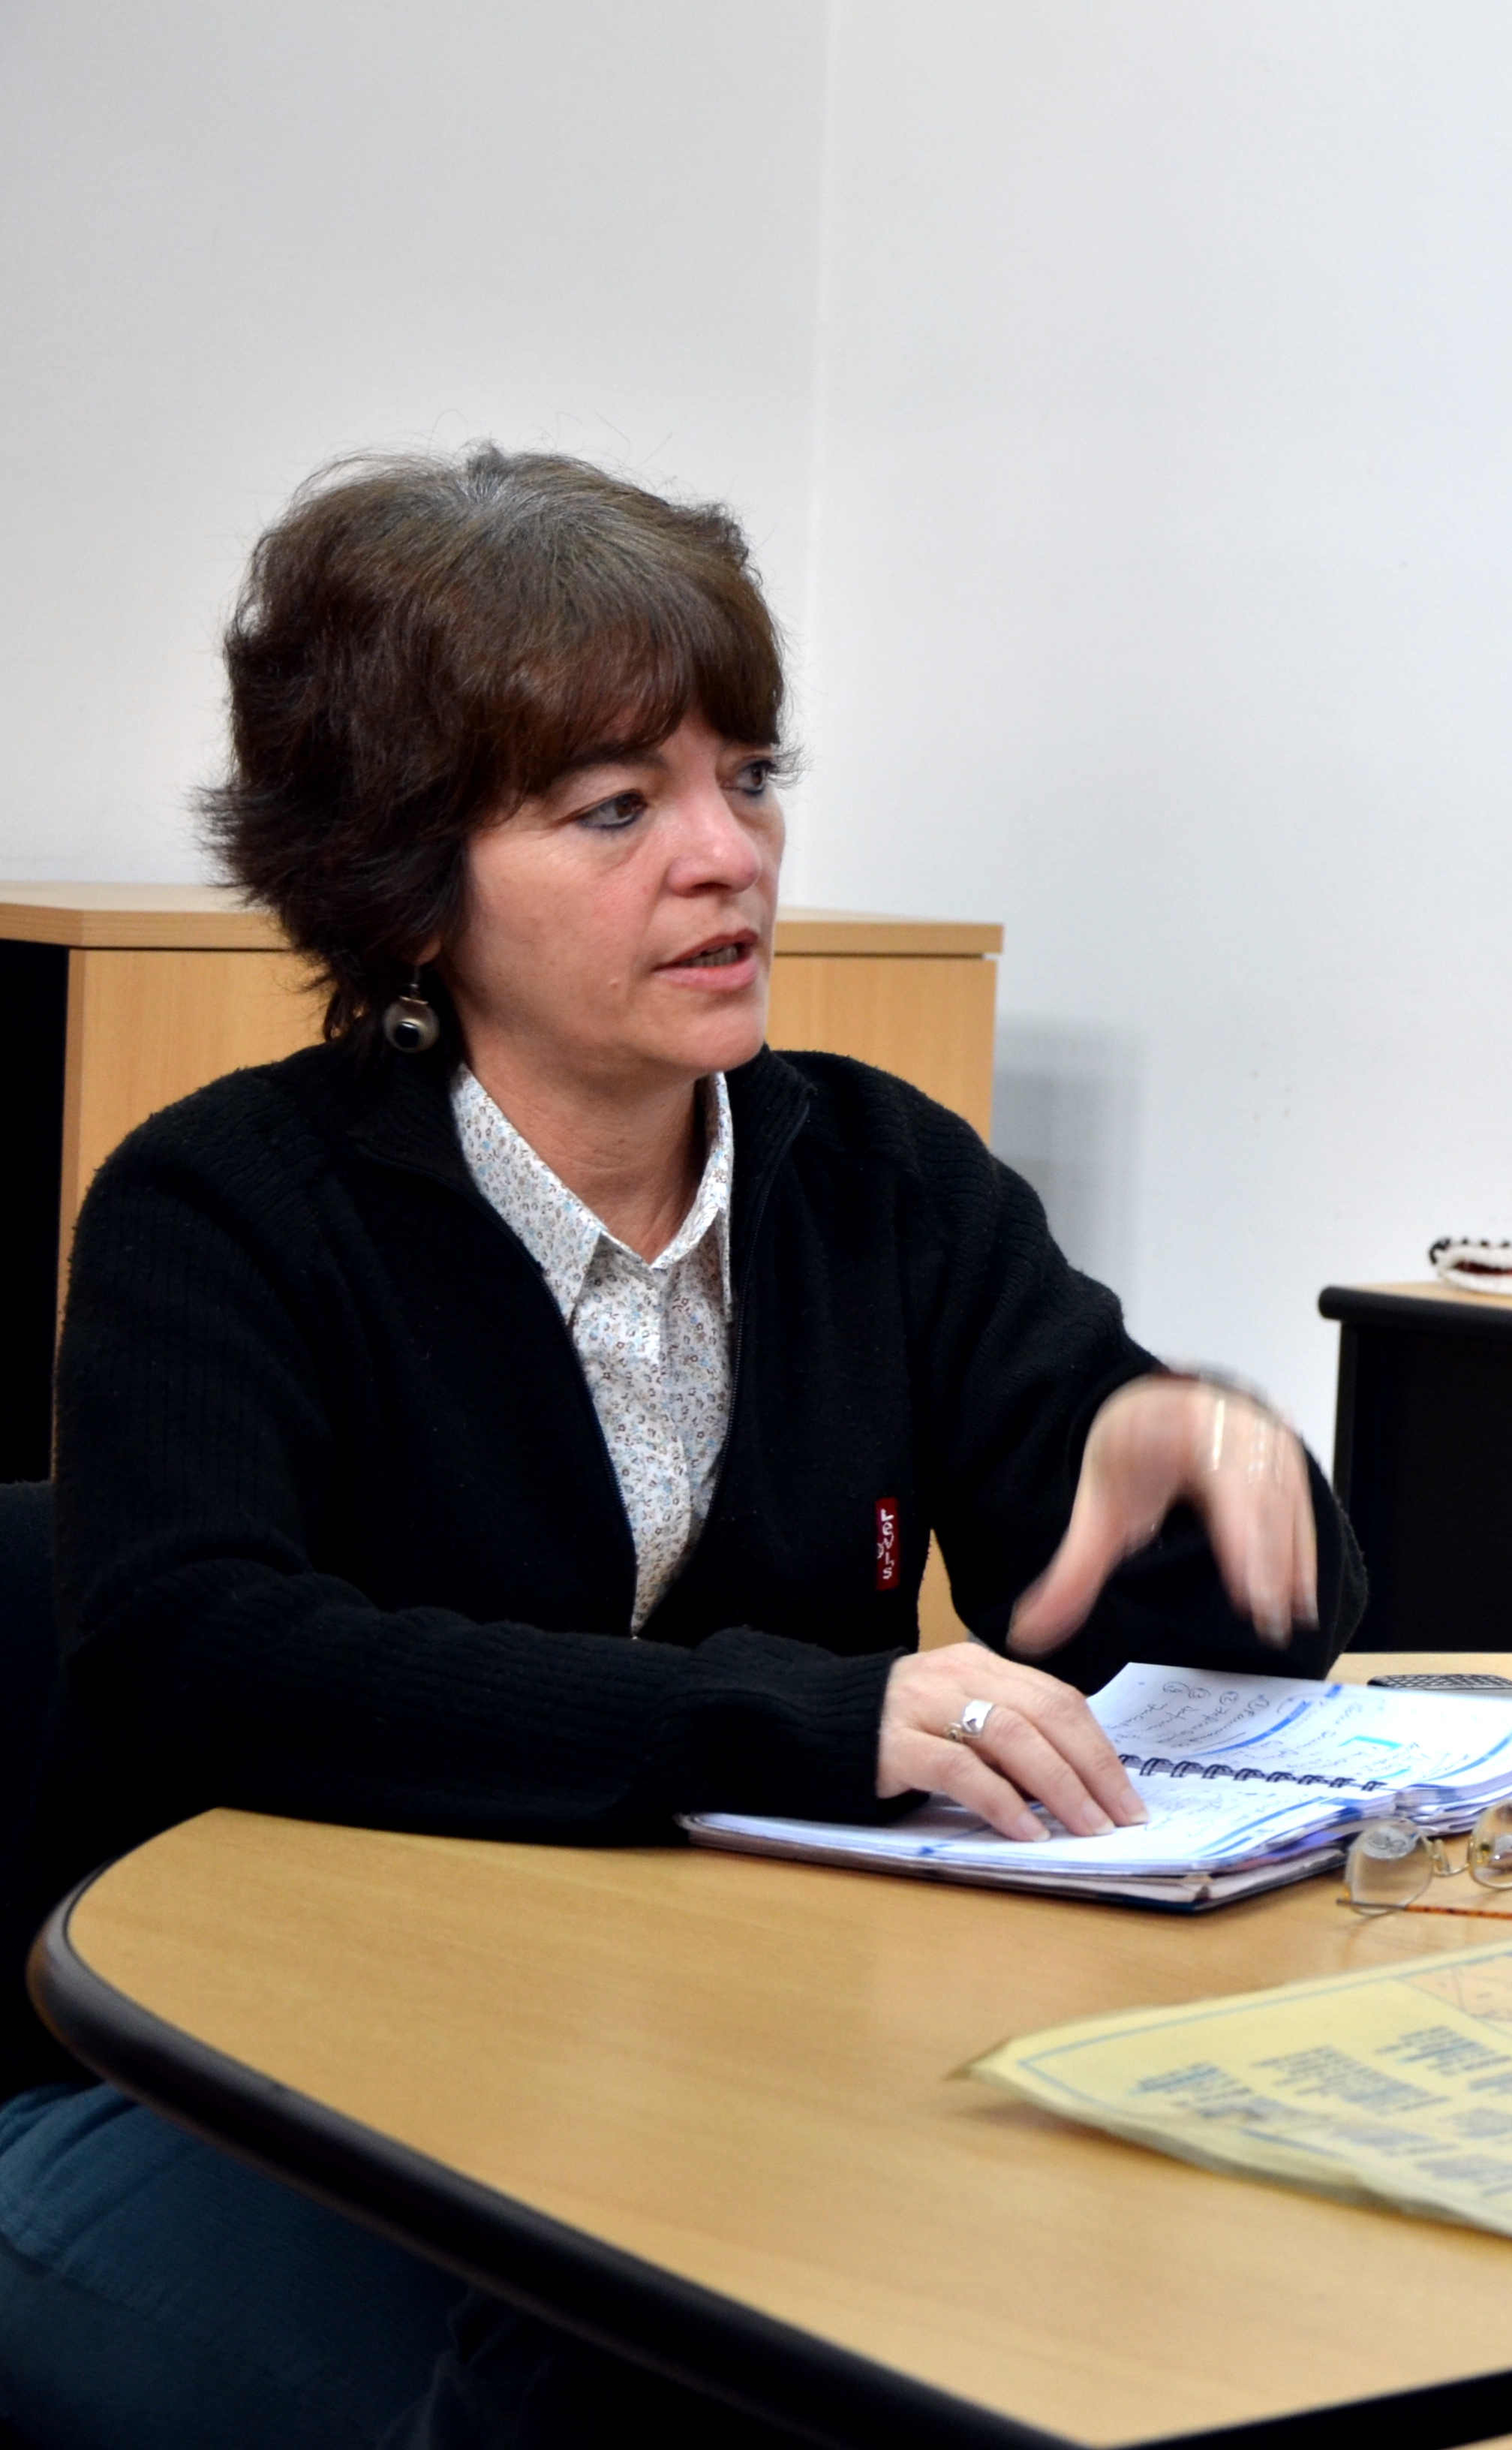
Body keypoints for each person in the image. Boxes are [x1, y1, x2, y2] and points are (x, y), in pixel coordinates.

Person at [0, 447, 1366, 2448]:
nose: (729, 858)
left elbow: (1168, 1654)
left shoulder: (878, 1177)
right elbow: (200, 1655)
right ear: (408, 875)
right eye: (616, 807)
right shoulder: (222, 1206)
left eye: (750, 777)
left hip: (710, 2068)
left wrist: (1215, 1495)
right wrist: (805, 1719)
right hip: (228, 2081)